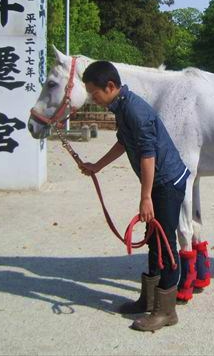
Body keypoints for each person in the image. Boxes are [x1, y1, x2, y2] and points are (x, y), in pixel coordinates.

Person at [80, 61, 189, 332]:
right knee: (154, 239)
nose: (93, 98)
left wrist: (146, 198)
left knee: (165, 243)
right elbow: (123, 143)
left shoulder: (134, 110)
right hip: (158, 184)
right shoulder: (121, 106)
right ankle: (149, 299)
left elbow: (148, 156)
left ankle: (166, 311)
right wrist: (97, 166)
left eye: (94, 93)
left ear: (111, 86)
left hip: (167, 183)